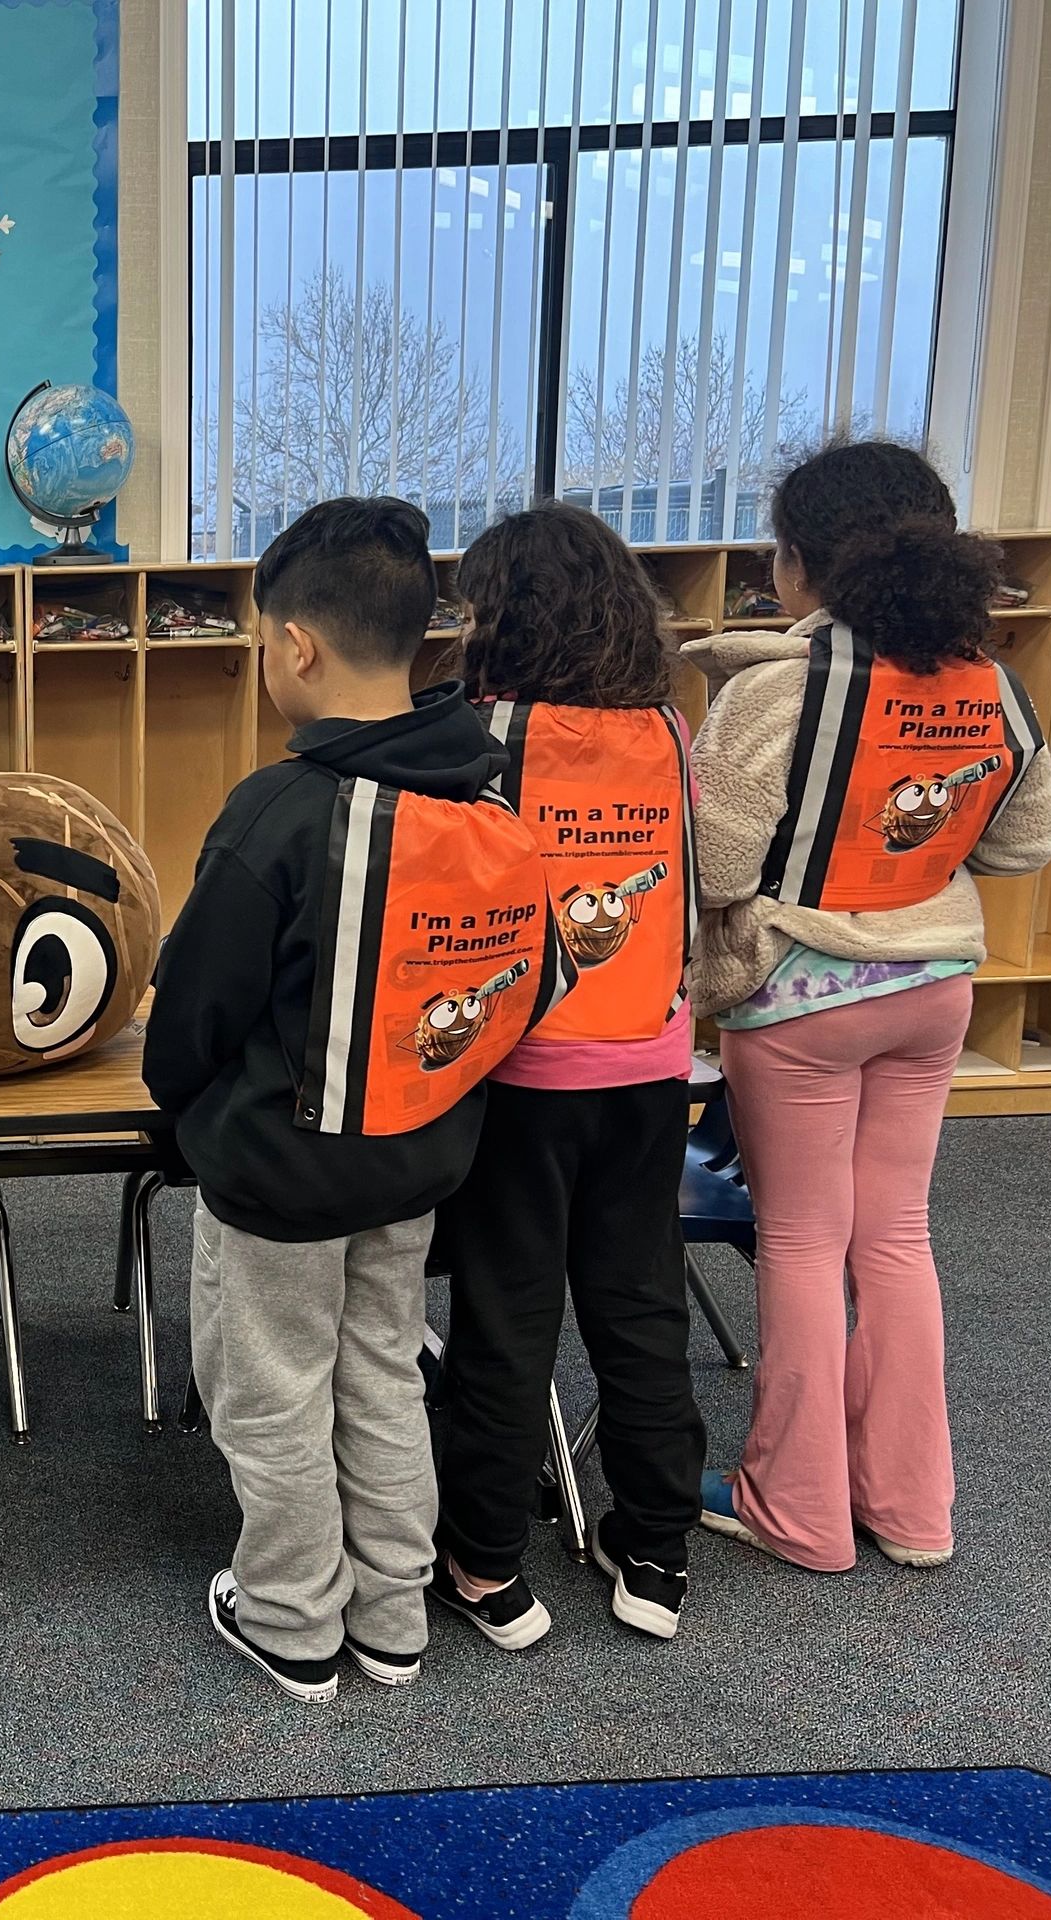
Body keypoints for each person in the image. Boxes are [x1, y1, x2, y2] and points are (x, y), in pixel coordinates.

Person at [144, 498, 573, 1703]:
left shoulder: (278, 809)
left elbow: (194, 1012)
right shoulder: (491, 808)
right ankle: (390, 1615)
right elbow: (532, 982)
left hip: (278, 1179)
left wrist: (183, 1114)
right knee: (381, 1373)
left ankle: (291, 1621)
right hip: (416, 1163)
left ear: (296, 646)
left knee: (271, 1395)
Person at [686, 440, 1051, 1573]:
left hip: (801, 996)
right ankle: (909, 1509)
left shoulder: (772, 689)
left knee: (802, 1243)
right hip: (935, 986)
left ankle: (797, 1508)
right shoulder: (991, 682)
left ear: (800, 564)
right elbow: (1025, 842)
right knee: (896, 1238)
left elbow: (717, 866)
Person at [428, 503, 707, 1649]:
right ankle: (655, 1551)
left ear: (502, 617)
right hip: (650, 1059)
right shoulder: (669, 733)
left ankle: (486, 1563)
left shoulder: (473, 736)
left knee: (506, 1316)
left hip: (521, 1069)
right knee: (639, 1304)